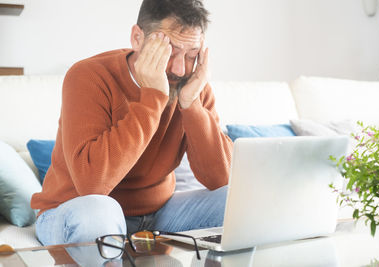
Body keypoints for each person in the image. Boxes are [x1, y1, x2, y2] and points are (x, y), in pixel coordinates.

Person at [31, 0, 233, 246]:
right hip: (75, 210)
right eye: (169, 52)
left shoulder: (192, 85)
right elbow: (92, 185)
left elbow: (221, 179)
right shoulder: (88, 76)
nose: (180, 69)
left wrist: (192, 105)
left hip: (158, 214)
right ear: (137, 38)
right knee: (98, 214)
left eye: (192, 55)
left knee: (238, 201)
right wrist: (152, 99)